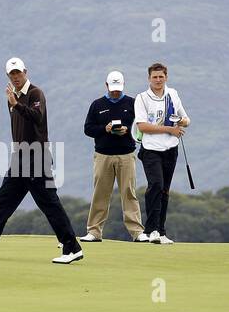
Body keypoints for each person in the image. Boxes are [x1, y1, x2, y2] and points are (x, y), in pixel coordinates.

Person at [0, 57, 84, 264]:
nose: (16, 77)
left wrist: (16, 104)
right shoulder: (12, 98)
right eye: (12, 74)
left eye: (18, 73)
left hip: (37, 156)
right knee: (3, 203)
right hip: (20, 158)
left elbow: (37, 116)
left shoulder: (35, 93)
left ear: (25, 72)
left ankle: (72, 248)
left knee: (50, 204)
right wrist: (14, 103)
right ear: (8, 76)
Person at [80, 70, 143, 242]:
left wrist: (127, 131)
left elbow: (140, 128)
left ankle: (137, 232)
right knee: (100, 193)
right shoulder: (97, 105)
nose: (116, 91)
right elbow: (88, 129)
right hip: (103, 156)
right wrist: (104, 129)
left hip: (126, 155)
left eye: (119, 88)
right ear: (106, 85)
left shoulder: (133, 103)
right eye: (113, 88)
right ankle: (94, 231)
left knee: (129, 193)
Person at [133, 62, 189, 244]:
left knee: (164, 190)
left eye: (161, 77)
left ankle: (161, 231)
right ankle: (151, 230)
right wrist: (169, 129)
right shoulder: (142, 98)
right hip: (151, 150)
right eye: (154, 77)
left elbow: (186, 119)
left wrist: (181, 122)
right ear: (149, 78)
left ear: (166, 77)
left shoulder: (172, 94)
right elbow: (142, 126)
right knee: (155, 186)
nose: (158, 80)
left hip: (171, 149)